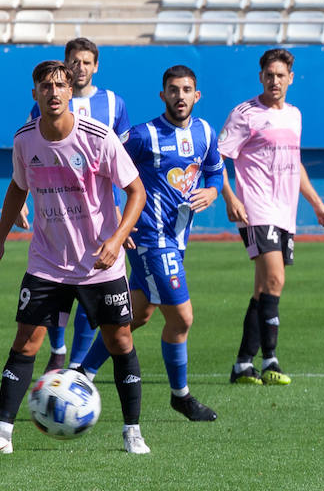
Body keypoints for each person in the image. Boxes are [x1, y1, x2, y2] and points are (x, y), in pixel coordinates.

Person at [0, 60, 150, 455]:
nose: (53, 92)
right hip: (46, 263)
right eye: (45, 86)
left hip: (99, 264)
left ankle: (132, 432)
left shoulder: (98, 138)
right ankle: (2, 435)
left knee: (119, 340)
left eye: (60, 85)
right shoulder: (25, 140)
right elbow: (18, 189)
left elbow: (137, 191)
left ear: (71, 92)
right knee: (25, 343)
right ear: (34, 93)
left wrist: (117, 239)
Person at [77, 65, 224, 422]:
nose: (180, 96)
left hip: (177, 239)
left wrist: (213, 191)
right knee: (183, 318)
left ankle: (83, 374)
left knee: (136, 314)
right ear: (163, 95)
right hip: (151, 240)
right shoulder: (144, 135)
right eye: (173, 90)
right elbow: (104, 166)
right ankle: (181, 395)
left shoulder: (205, 132)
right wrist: (117, 219)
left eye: (187, 90)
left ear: (196, 95)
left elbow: (216, 170)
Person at [218, 48, 324, 386]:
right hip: (256, 208)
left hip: (285, 212)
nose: (274, 81)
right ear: (261, 77)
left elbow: (295, 164)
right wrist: (230, 198)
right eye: (269, 75)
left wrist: (317, 203)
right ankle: (271, 359)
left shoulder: (294, 115)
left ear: (290, 79)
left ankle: (243, 364)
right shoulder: (245, 114)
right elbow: (217, 158)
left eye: (280, 75)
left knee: (263, 289)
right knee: (275, 280)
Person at [23, 37, 131, 375]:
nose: (80, 67)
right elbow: (34, 156)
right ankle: (58, 348)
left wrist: (118, 216)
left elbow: (122, 163)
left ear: (95, 66)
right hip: (56, 212)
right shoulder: (48, 99)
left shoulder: (114, 103)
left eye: (86, 62)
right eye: (74, 61)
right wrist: (21, 202)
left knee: (92, 289)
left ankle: (77, 365)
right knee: (56, 284)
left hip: (101, 213)